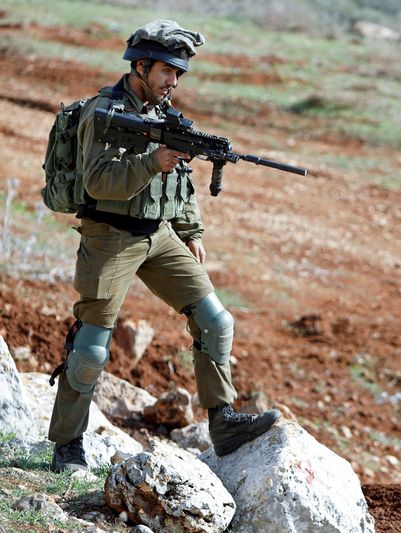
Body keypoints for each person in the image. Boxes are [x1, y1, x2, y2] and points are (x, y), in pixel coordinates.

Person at [48, 20, 280, 472]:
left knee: (216, 321)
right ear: (140, 66)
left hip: (159, 235)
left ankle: (223, 422)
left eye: (179, 74)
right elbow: (98, 182)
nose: (174, 81)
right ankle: (67, 445)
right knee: (91, 348)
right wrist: (153, 161)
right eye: (167, 71)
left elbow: (181, 180)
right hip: (109, 235)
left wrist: (191, 231)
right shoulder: (104, 112)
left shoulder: (162, 111)